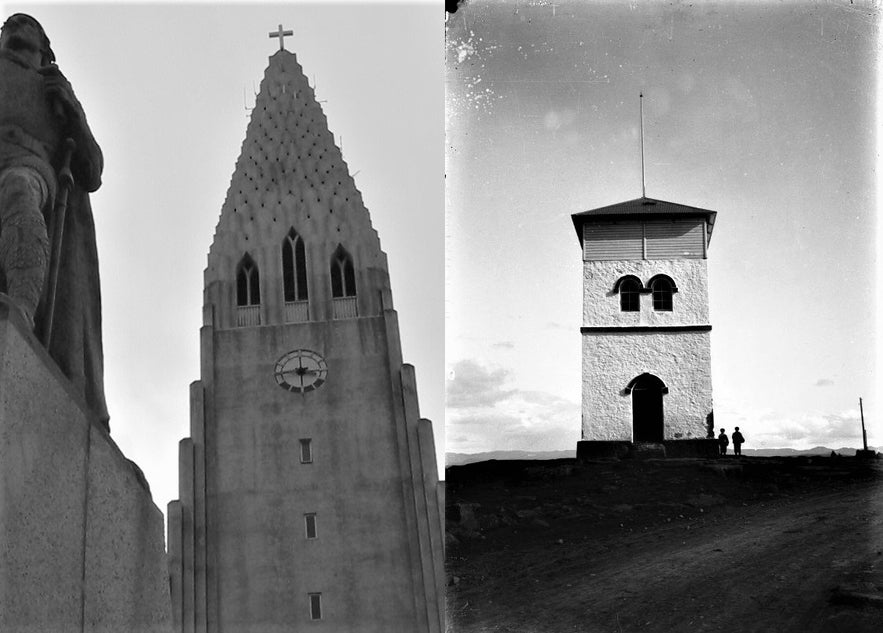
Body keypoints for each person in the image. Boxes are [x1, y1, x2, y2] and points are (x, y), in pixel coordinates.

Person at [0, 13, 109, 430]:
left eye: (27, 24)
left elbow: (92, 170)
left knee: (17, 194)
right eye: (10, 23)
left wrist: (74, 117)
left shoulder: (54, 89)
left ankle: (22, 309)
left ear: (45, 45)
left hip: (29, 168)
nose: (15, 24)